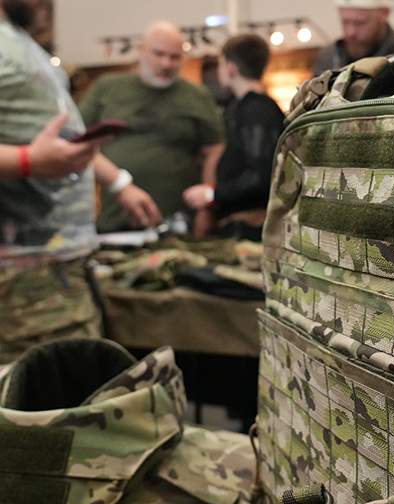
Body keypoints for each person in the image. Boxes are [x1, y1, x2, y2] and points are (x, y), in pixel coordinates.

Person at [0, 0, 160, 364]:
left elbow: (61, 139)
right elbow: (37, 153)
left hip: (57, 269)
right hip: (23, 280)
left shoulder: (21, 42)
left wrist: (119, 182)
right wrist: (27, 162)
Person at [80, 21, 225, 236]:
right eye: (158, 54)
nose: (166, 63)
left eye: (174, 57)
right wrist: (119, 183)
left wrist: (206, 207)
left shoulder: (197, 96)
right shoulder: (107, 88)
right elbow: (77, 142)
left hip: (179, 222)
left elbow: (214, 149)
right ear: (141, 50)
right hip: (117, 221)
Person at [182, 34, 285, 241]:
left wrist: (212, 194)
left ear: (230, 68)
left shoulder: (256, 110)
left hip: (253, 228)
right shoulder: (246, 108)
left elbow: (261, 176)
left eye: (221, 63)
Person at [313, 0, 394, 75]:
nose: (351, 32)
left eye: (360, 23)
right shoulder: (328, 56)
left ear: (384, 14)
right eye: (345, 22)